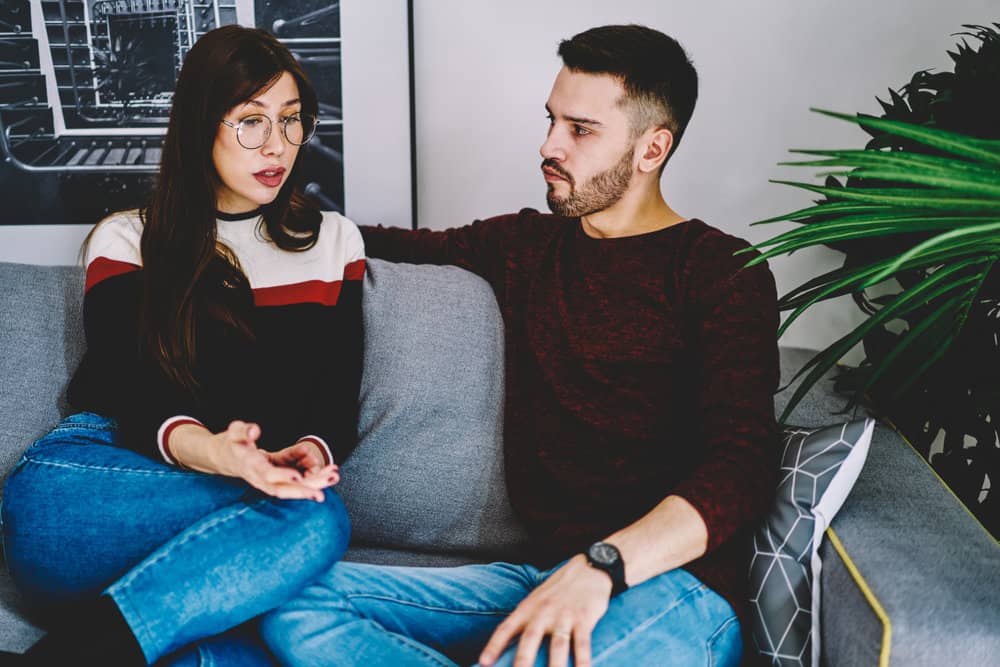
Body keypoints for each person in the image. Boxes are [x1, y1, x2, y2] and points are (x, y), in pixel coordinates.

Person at [260, 23, 779, 667]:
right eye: (551, 120)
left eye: (580, 130)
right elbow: (376, 242)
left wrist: (603, 567)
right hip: (532, 578)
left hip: (671, 591)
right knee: (289, 605)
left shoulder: (721, 268)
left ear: (652, 149)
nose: (548, 145)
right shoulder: (525, 247)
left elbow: (743, 467)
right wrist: (231, 223)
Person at [0, 25, 365, 666]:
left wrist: (304, 453)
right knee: (315, 523)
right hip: (92, 490)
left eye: (291, 121)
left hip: (239, 512)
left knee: (245, 641)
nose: (276, 145)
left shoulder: (334, 243)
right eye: (250, 122)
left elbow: (335, 393)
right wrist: (229, 459)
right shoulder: (125, 238)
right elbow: (136, 392)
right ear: (201, 126)